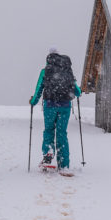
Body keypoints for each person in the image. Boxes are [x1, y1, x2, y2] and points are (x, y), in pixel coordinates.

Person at [29, 47, 81, 176]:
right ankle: (64, 165)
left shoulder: (45, 71)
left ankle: (48, 154)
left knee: (49, 130)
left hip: (50, 105)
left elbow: (39, 90)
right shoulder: (67, 70)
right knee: (62, 133)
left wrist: (33, 102)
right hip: (65, 106)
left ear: (49, 58)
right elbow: (77, 91)